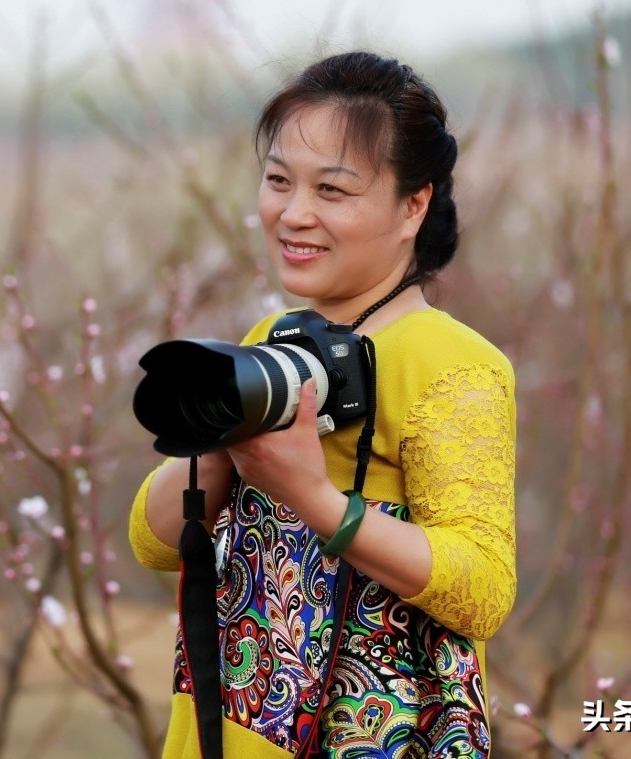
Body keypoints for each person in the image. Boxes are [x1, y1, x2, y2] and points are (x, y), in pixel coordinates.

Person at [128, 51, 517, 758]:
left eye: (332, 191)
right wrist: (223, 433)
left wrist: (311, 495)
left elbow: (482, 590)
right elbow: (153, 539)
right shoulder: (271, 341)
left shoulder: (452, 364)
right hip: (226, 733)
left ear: (413, 204)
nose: (293, 213)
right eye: (278, 181)